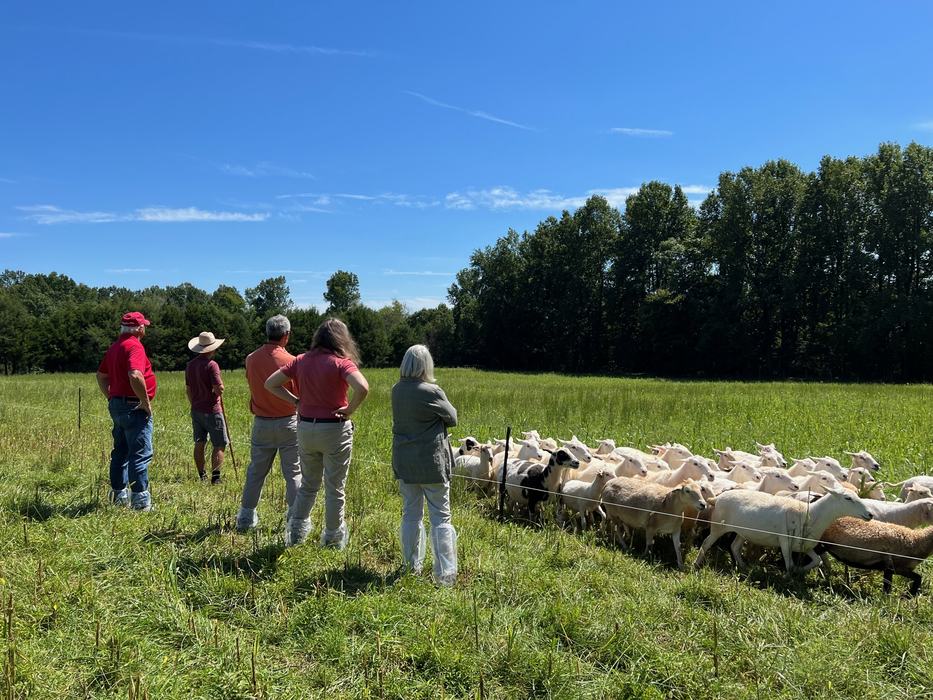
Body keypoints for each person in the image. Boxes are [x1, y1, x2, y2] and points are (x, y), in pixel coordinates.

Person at [265, 318, 369, 548]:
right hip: (334, 429)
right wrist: (350, 409)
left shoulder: (301, 360)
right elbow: (362, 387)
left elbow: (271, 383)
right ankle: (332, 538)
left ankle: (296, 533)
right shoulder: (341, 363)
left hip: (305, 427)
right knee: (335, 487)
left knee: (309, 484)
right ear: (342, 339)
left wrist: (296, 401)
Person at [390, 345, 459, 585]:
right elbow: (453, 418)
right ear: (426, 365)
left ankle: (411, 567)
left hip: (405, 461)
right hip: (431, 462)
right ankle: (445, 572)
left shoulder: (396, 390)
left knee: (411, 513)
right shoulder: (432, 391)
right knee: (440, 516)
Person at [236, 315, 302, 532]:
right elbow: (298, 394)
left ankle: (245, 518)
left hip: (262, 422)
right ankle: (295, 522)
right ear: (286, 335)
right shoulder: (291, 362)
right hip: (288, 422)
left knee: (256, 472)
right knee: (293, 473)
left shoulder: (251, 359)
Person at [96, 311, 157, 511]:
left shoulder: (115, 347)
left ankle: (118, 496)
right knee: (139, 453)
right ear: (139, 328)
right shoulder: (134, 346)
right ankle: (140, 502)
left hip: (118, 404)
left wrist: (111, 397)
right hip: (134, 405)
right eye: (144, 325)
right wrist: (144, 401)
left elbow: (101, 375)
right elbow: (135, 374)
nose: (145, 328)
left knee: (120, 451)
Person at [185, 331, 227, 484]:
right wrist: (221, 388)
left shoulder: (190, 365)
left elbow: (188, 389)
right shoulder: (212, 365)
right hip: (212, 410)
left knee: (199, 442)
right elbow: (219, 389)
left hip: (196, 410)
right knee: (219, 443)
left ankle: (202, 476)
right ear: (212, 349)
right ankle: (215, 478)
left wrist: (194, 404)